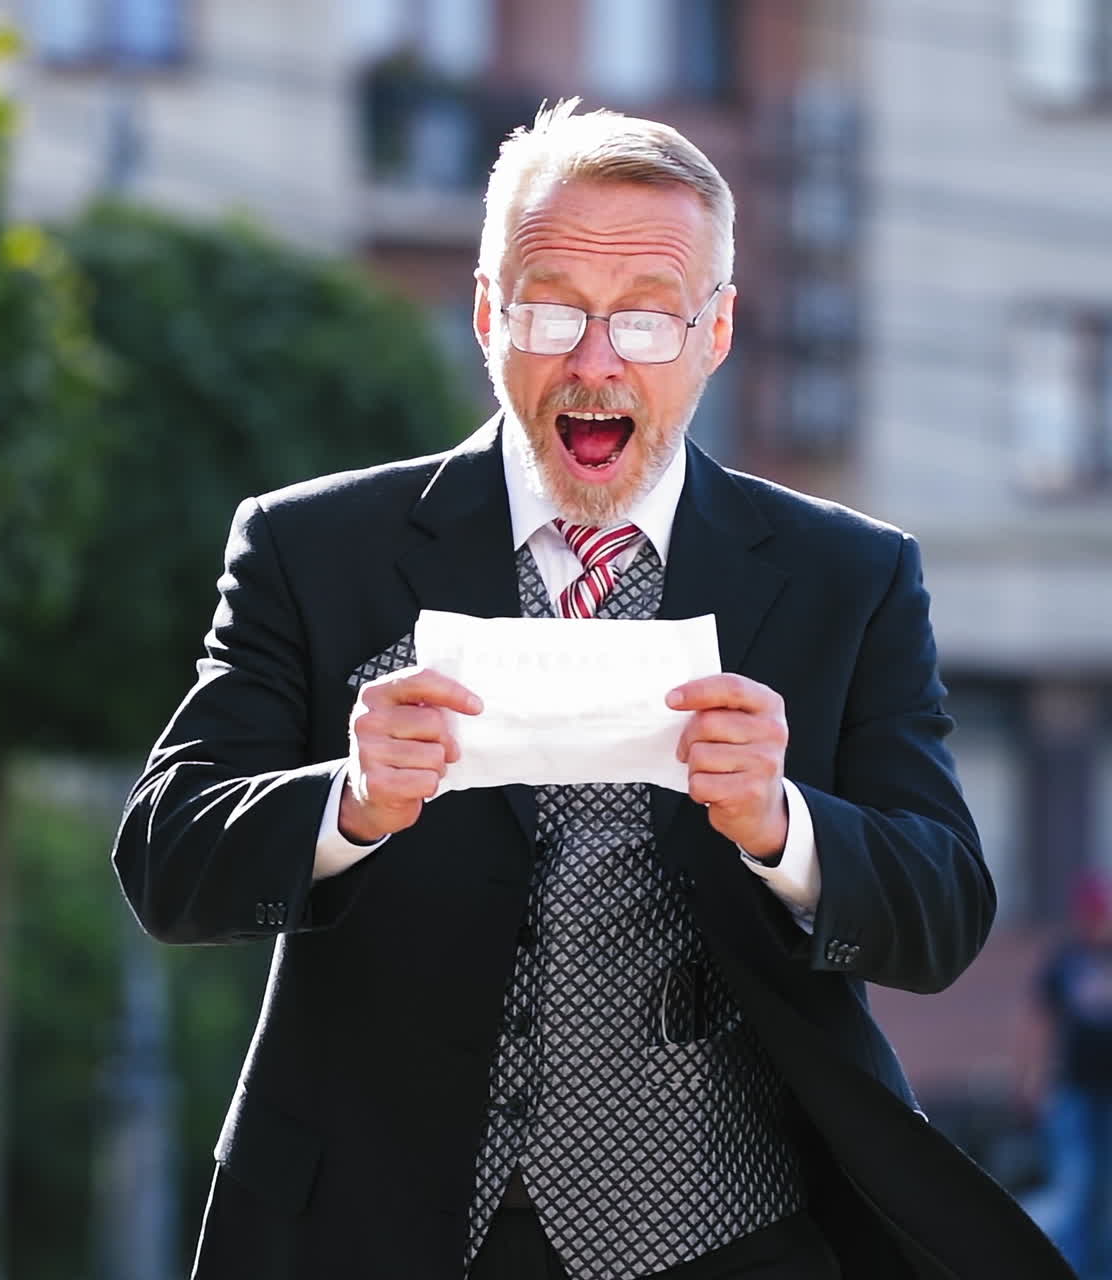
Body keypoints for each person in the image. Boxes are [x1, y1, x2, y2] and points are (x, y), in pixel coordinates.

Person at [112, 101, 1073, 1279]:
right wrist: (346, 800)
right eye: (551, 306)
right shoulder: (313, 549)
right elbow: (165, 857)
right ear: (484, 315)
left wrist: (786, 827)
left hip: (733, 1237)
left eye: (645, 318)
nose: (595, 357)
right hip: (376, 1224)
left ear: (713, 331)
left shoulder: (849, 577)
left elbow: (943, 911)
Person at [1019, 871, 1112, 1277]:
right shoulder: (1067, 959)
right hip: (1075, 1091)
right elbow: (1041, 1022)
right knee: (1075, 1187)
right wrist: (1034, 1078)